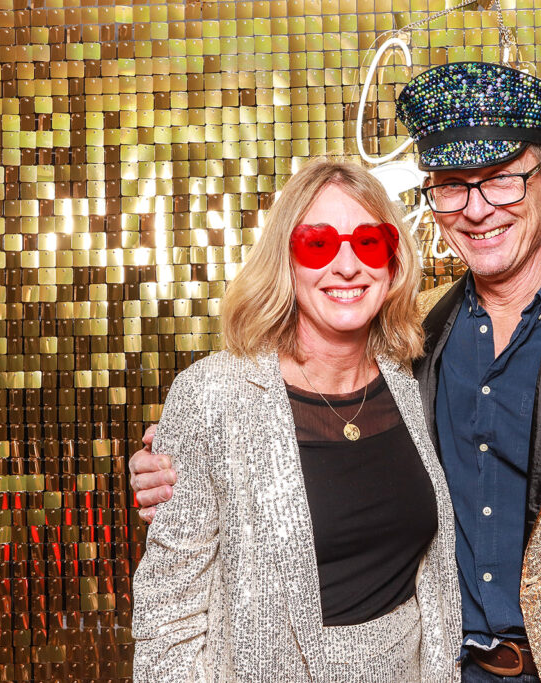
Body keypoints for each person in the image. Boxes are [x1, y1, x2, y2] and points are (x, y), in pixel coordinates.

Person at [132, 63, 541, 683]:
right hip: (440, 666)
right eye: (453, 186)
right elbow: (286, 431)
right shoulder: (412, 335)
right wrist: (179, 470)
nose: (478, 210)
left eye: (503, 181)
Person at [130, 160, 461, 682]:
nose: (348, 265)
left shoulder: (409, 381)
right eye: (318, 244)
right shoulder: (214, 394)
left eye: (369, 242)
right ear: (285, 258)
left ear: (393, 260)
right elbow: (168, 613)